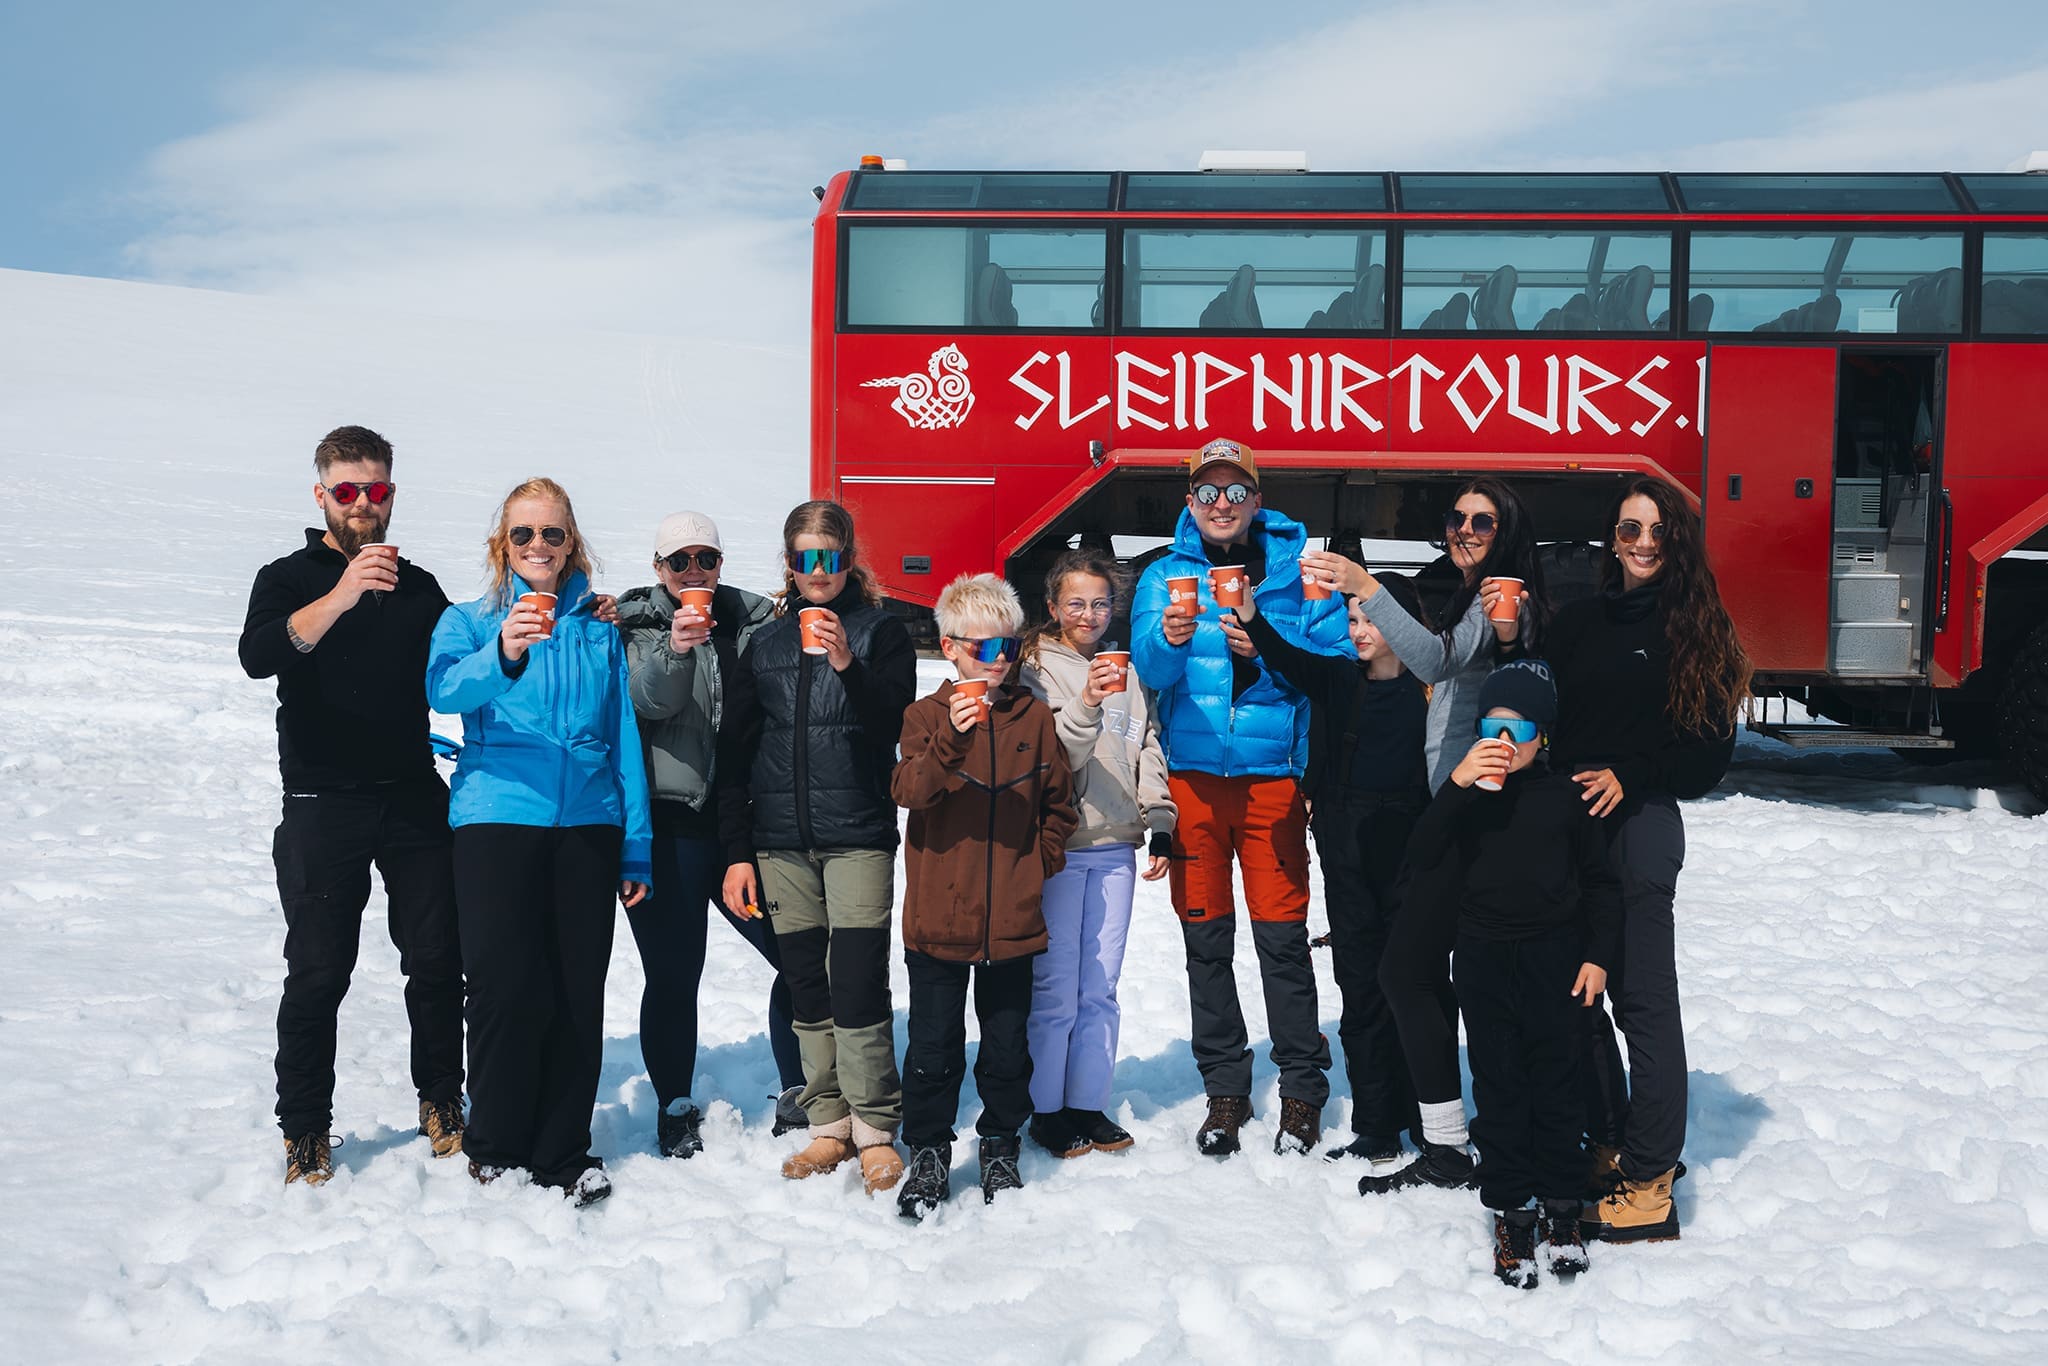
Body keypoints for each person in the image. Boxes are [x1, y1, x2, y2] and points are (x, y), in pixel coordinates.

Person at [1302, 476, 1545, 1194]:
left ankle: (1502, 1141)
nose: (1465, 530)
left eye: (1482, 520)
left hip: (1481, 812)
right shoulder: (1475, 594)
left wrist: (1366, 586)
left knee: (1442, 977)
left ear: (1507, 531)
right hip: (1455, 807)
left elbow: (1434, 661)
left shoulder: (1502, 592)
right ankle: (1447, 1140)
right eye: (1457, 518)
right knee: (1423, 975)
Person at [238, 425, 466, 1186]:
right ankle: (305, 1128)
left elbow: (462, 669)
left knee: (437, 961)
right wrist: (341, 594)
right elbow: (257, 656)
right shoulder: (287, 577)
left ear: (391, 494)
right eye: (347, 489)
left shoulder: (418, 585)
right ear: (322, 495)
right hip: (321, 799)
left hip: (410, 795)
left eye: (375, 489)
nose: (362, 502)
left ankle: (442, 1099)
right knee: (318, 970)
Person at [426, 477, 651, 1207]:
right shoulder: (468, 621)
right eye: (523, 533)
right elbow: (443, 692)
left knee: (576, 991)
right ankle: (495, 1144)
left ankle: (563, 1151)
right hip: (496, 816)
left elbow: (621, 737)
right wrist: (505, 650)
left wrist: (635, 843)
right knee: (503, 986)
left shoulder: (597, 628)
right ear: (503, 543)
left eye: (552, 533)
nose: (538, 545)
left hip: (588, 822)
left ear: (570, 541)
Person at [1129, 437, 1351, 1157]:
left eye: (1234, 491)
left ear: (1257, 500)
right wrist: (1170, 639)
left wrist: (1271, 652)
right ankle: (1224, 1087)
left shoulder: (1303, 575)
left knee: (1282, 943)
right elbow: (1149, 672)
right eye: (1206, 491)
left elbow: (1336, 670)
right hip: (1193, 783)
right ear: (1189, 501)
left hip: (1272, 783)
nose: (1220, 504)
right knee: (1206, 943)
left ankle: (1302, 1089)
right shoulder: (1164, 575)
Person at [1546, 478, 1752, 1243]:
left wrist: (1629, 774)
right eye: (1630, 528)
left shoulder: (1696, 628)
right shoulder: (1578, 622)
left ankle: (1650, 1182)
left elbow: (1707, 757)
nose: (1642, 543)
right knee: (1576, 991)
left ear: (1678, 542)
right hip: (1570, 829)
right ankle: (1611, 1141)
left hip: (1640, 828)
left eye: (1658, 530)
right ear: (1612, 537)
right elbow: (1548, 714)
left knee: (1641, 1003)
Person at [718, 500, 916, 1194]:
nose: (818, 571)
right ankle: (829, 1124)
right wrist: (737, 850)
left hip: (858, 836)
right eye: (805, 558)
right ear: (789, 564)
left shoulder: (881, 633)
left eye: (829, 557)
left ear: (848, 560)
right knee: (806, 986)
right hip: (779, 844)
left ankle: (876, 1129)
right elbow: (734, 753)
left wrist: (845, 662)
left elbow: (894, 722)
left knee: (858, 982)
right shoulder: (766, 645)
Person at [1403, 660, 1619, 1288]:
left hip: (1558, 962)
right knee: (1499, 1089)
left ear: (1541, 734)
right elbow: (1421, 853)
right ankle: (1512, 1213)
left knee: (1557, 1087)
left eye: (1517, 728)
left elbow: (1603, 885)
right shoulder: (1469, 796)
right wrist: (1458, 783)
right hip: (1484, 961)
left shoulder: (1569, 798)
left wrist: (1598, 956)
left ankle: (1561, 1209)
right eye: (1490, 727)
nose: (1502, 741)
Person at [614, 510, 805, 1159]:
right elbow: (650, 701)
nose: (693, 571)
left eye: (706, 558)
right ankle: (674, 1105)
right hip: (665, 831)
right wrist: (677, 645)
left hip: (739, 831)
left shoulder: (756, 623)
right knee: (673, 975)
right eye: (679, 561)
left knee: (797, 955)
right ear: (658, 567)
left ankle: (799, 1089)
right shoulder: (634, 626)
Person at [891, 575, 1078, 1218]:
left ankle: (1000, 1143)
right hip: (938, 921)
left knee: (1006, 1048)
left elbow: (1060, 807)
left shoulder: (1034, 717)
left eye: (1009, 647)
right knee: (933, 1048)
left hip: (1013, 922)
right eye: (983, 647)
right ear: (949, 647)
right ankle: (928, 1151)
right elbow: (910, 791)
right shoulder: (924, 717)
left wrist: (1036, 866)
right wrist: (953, 736)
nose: (998, 660)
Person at [1236, 571, 1430, 1168]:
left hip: (1414, 855)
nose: (1360, 630)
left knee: (1416, 988)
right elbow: (1286, 658)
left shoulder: (1434, 693)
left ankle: (1431, 1120)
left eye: (1373, 618)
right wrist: (1251, 616)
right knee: (1360, 985)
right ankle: (1376, 1124)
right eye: (1353, 619)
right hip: (1348, 851)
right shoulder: (1340, 680)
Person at [1017, 550, 1175, 1160]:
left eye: (1101, 603)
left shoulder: (1127, 671)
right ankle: (1046, 1108)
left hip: (1116, 846)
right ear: (1053, 607)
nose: (1090, 614)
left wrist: (1159, 819)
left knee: (1101, 986)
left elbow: (1147, 745)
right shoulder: (1034, 670)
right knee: (1056, 987)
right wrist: (1086, 701)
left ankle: (1087, 1101)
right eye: (1077, 603)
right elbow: (1053, 759)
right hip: (1061, 846)